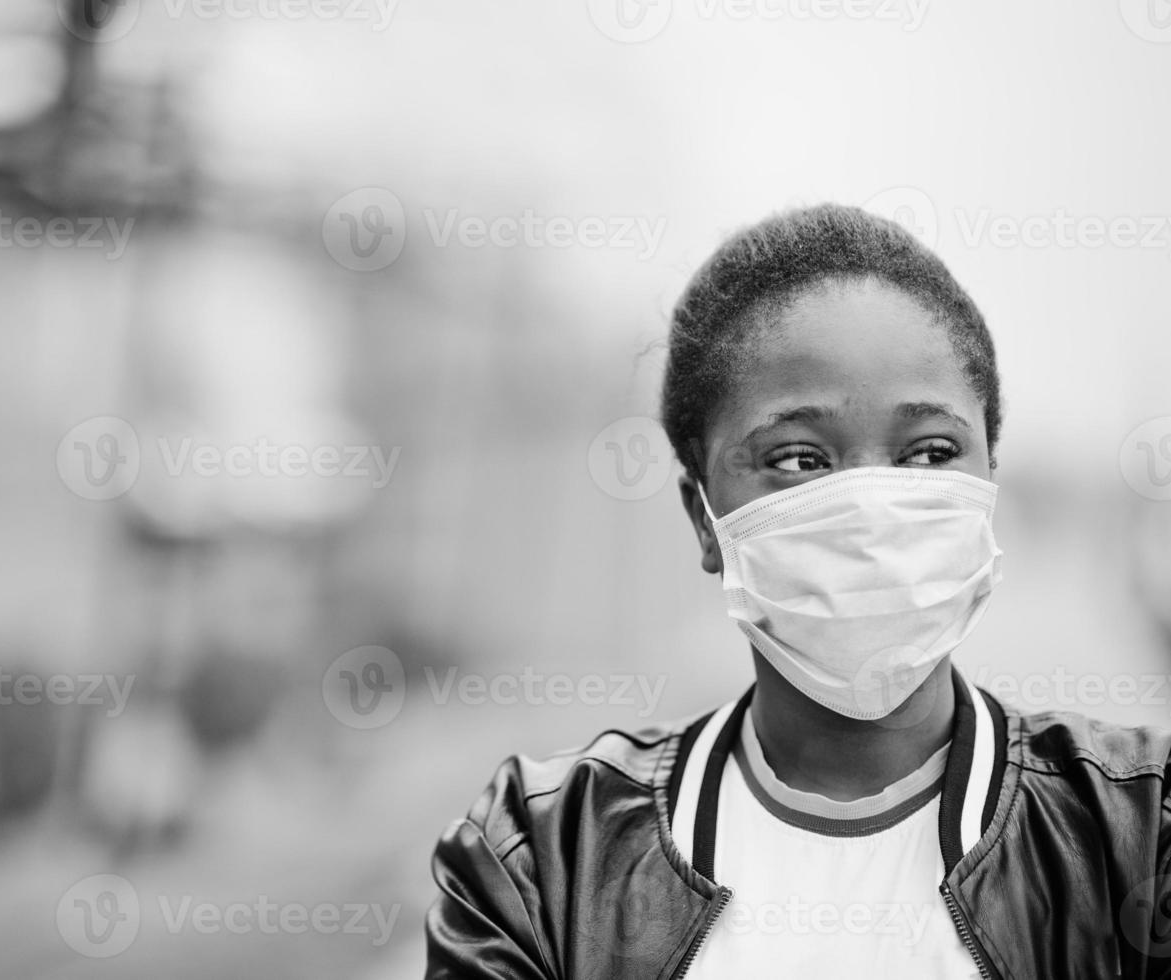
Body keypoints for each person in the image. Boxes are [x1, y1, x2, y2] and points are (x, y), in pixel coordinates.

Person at [424, 204, 1171, 979]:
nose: (870, 512)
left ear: (987, 478)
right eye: (798, 459)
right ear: (705, 520)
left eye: (928, 452)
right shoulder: (545, 856)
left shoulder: (1135, 828)